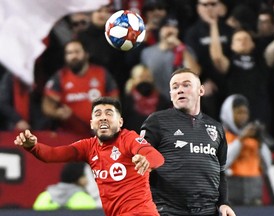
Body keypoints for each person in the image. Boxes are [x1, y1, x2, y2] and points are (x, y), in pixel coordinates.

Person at [14, 97, 165, 216]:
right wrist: (32, 147)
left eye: (109, 113)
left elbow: (156, 157)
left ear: (120, 122)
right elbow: (52, 154)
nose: (103, 117)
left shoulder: (128, 138)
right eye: (98, 114)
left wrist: (146, 160)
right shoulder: (88, 147)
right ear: (92, 124)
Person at [140, 68, 236, 216]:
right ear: (171, 95)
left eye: (186, 85)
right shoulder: (157, 122)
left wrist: (224, 203)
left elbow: (221, 172)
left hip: (208, 211)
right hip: (167, 211)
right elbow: (141, 162)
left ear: (201, 90)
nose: (180, 90)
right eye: (175, 87)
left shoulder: (216, 128)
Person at [208, 0, 274, 133]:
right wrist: (213, 24)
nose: (243, 41)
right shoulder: (230, 63)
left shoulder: (262, 59)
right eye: (238, 40)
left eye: (246, 39)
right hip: (236, 114)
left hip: (260, 115)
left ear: (253, 44)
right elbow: (216, 56)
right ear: (232, 46)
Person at [42, 39, 119, 137]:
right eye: (69, 53)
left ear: (86, 54)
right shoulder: (60, 77)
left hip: (100, 135)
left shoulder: (101, 74)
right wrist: (58, 113)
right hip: (69, 136)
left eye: (77, 52)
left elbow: (115, 101)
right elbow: (47, 105)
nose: (73, 56)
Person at [219, 94, 272, 206]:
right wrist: (241, 139)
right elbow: (223, 163)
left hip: (254, 190)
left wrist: (261, 143)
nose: (243, 116)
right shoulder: (221, 135)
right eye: (239, 112)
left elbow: (267, 165)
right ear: (228, 113)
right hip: (232, 190)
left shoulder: (252, 135)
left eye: (245, 113)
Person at [140, 17, 201, 100]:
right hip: (156, 101)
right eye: (167, 26)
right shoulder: (147, 52)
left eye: (174, 27)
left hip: (180, 99)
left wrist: (180, 47)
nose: (171, 30)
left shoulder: (185, 50)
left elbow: (195, 72)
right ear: (160, 30)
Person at [122, 64, 171, 133]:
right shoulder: (126, 102)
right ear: (134, 80)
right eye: (141, 77)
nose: (145, 80)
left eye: (147, 77)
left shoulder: (163, 101)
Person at [33, 162, 97, 210]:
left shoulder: (44, 196)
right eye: (85, 175)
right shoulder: (84, 199)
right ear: (79, 179)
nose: (87, 179)